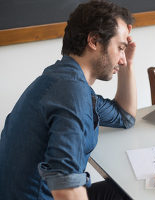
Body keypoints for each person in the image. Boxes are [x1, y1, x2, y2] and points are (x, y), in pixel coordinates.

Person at [0, 1, 136, 200]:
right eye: (120, 48)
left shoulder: (62, 79)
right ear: (94, 41)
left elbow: (124, 117)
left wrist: (128, 64)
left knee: (122, 191)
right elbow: (65, 186)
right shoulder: (71, 93)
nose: (122, 59)